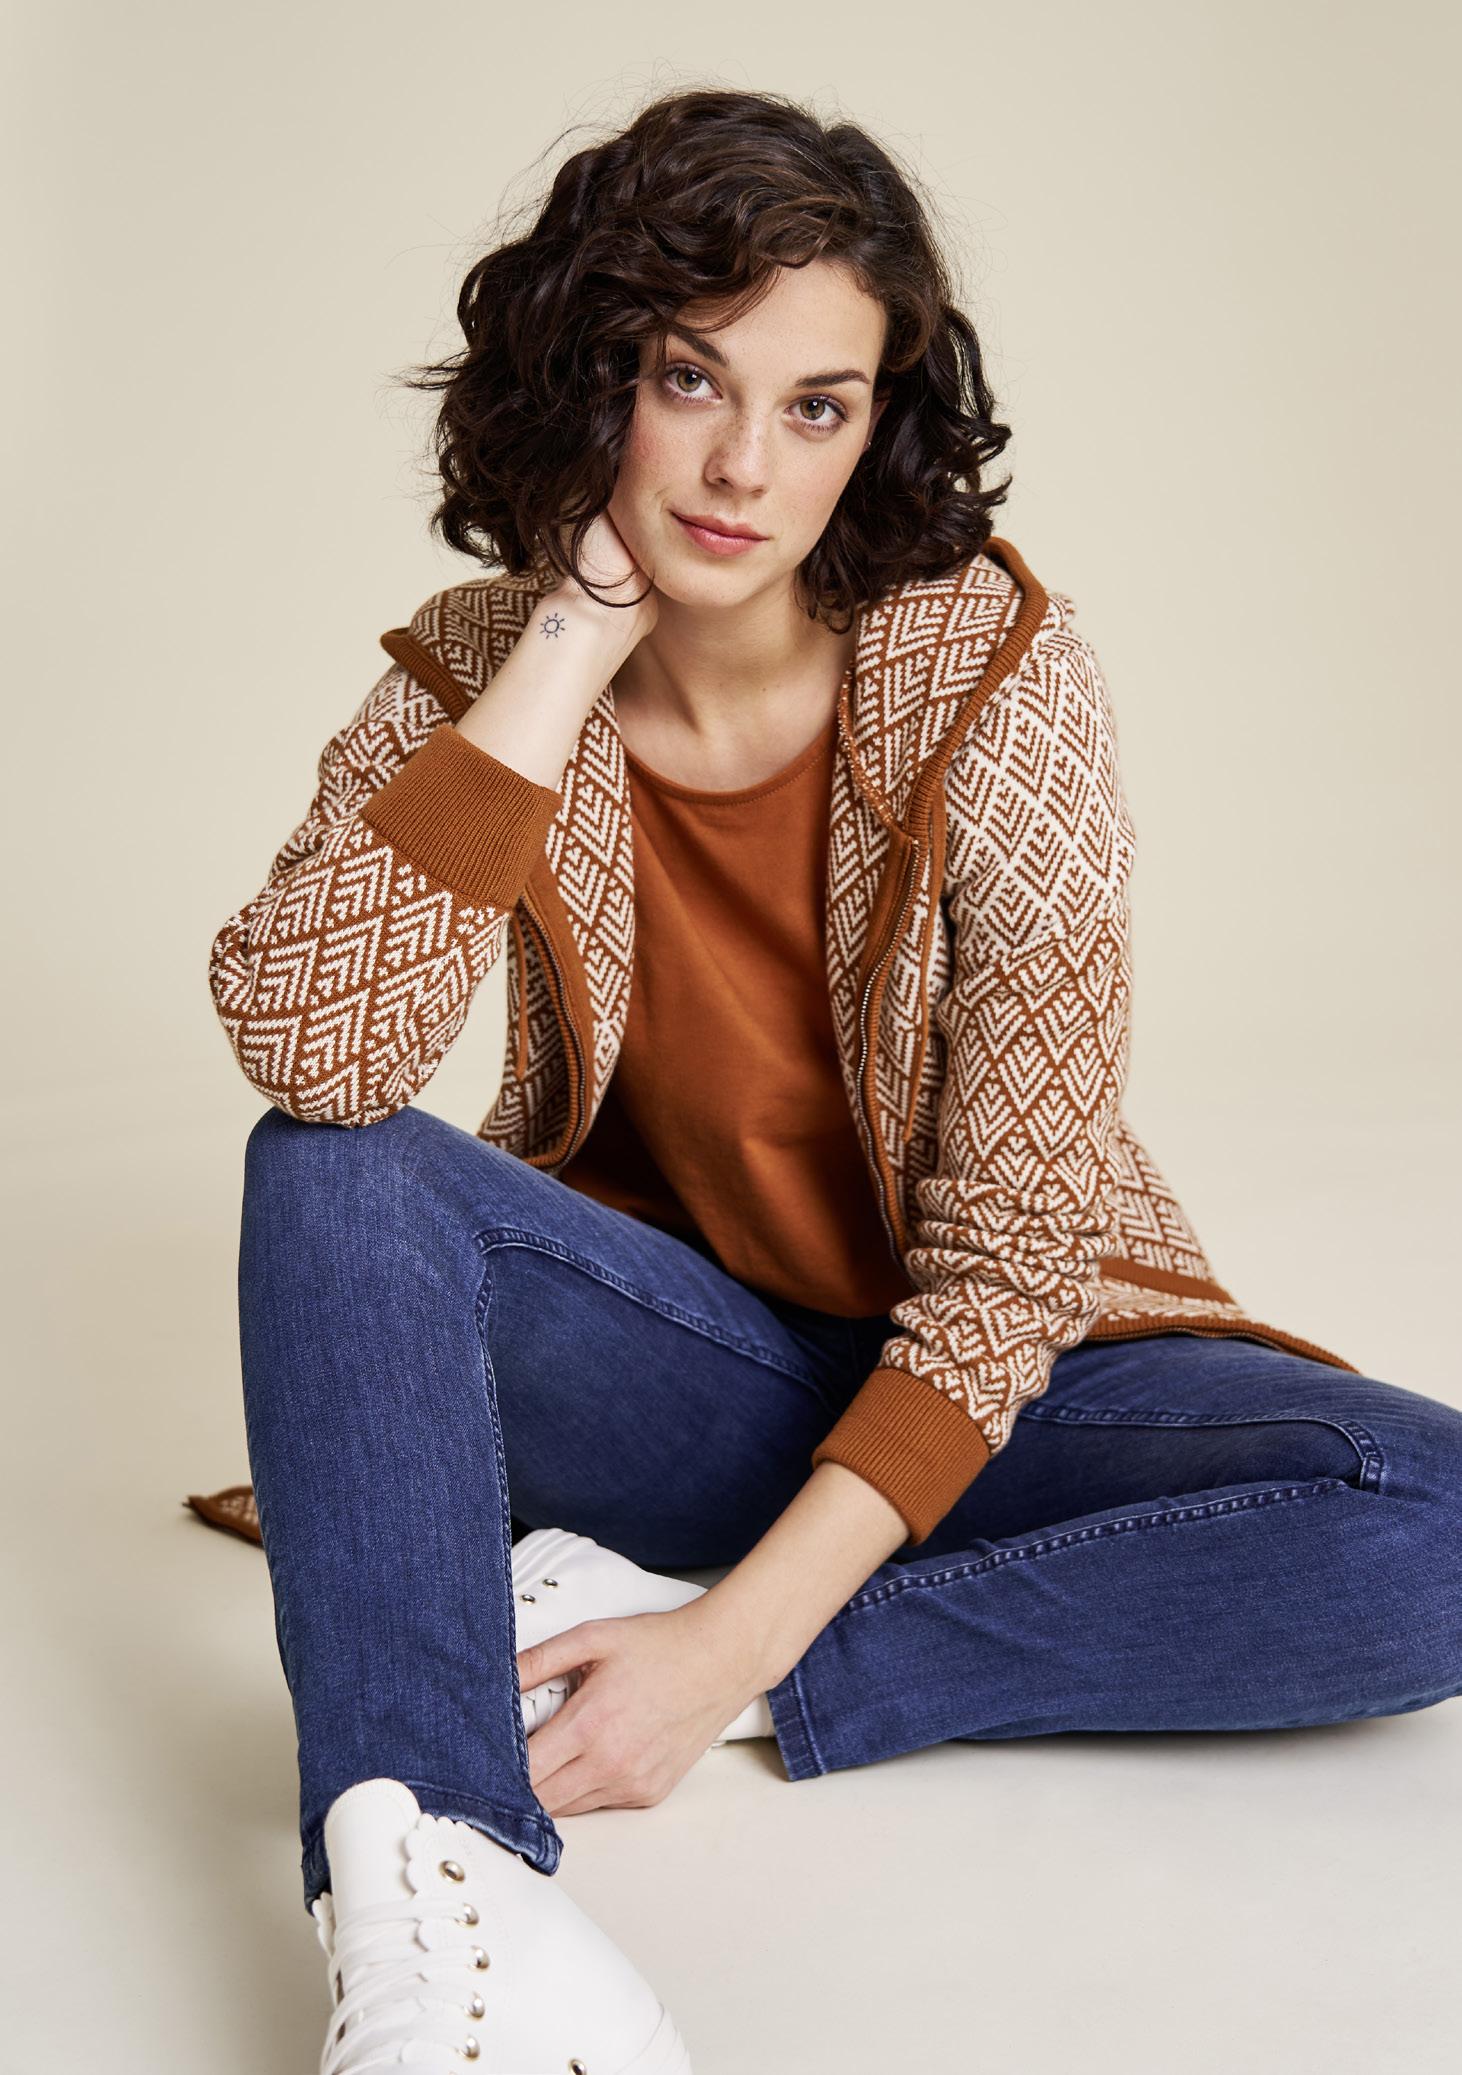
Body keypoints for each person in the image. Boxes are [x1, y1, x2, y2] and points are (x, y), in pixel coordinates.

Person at [195, 85, 1462, 2075]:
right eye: (686, 379)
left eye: (816, 407)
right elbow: (314, 1054)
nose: (741, 466)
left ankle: (716, 1632)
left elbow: (1016, 1263)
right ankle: (442, 1868)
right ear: (591, 377)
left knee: (1437, 1525)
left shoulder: (988, 676)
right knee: (334, 1168)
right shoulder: (474, 673)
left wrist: (732, 1654)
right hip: (691, 1369)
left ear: (876, 433)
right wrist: (564, 642)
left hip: (1023, 1373)